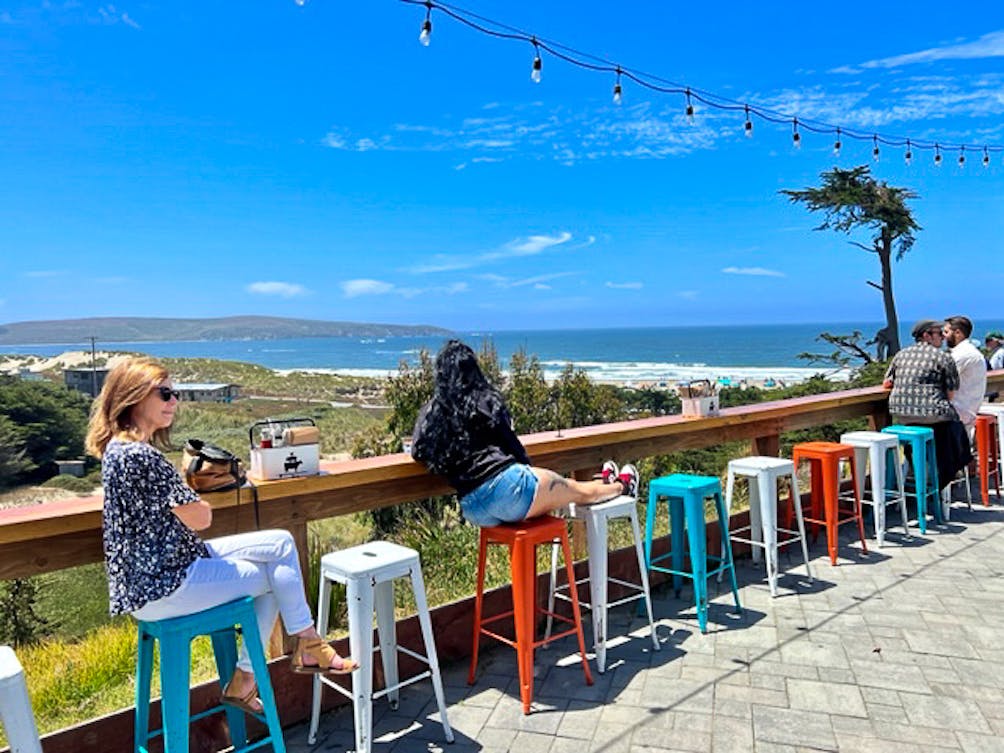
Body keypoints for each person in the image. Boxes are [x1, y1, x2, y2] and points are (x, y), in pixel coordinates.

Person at [85, 356, 357, 716]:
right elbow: (201, 518)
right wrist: (188, 491)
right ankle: (271, 664)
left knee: (280, 544)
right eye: (165, 393)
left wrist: (179, 493)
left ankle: (296, 649)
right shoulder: (141, 456)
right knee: (278, 578)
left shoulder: (117, 451)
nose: (174, 401)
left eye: (175, 393)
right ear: (134, 396)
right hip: (166, 584)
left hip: (152, 578)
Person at [410, 339, 638, 527]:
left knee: (570, 491)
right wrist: (529, 472)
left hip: (473, 507)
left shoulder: (433, 412)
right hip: (510, 489)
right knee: (577, 491)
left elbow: (418, 451)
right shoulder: (485, 399)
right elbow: (511, 445)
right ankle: (621, 486)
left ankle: (611, 482)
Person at [883, 319, 971, 492]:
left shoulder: (901, 354)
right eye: (939, 333)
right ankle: (940, 481)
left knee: (925, 440)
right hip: (933, 416)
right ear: (926, 335)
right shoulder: (943, 357)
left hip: (901, 417)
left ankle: (918, 473)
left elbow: (887, 382)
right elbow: (951, 393)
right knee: (955, 433)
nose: (942, 338)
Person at [942, 316, 987, 435]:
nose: (943, 336)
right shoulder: (968, 351)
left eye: (946, 332)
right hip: (968, 409)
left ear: (958, 333)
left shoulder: (963, 354)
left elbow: (943, 377)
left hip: (960, 412)